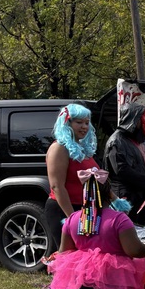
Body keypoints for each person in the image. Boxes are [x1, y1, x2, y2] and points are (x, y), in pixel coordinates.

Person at [45, 103, 102, 251]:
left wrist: (115, 201)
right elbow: (57, 186)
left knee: (87, 255)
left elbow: (97, 178)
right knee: (70, 257)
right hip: (64, 210)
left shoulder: (82, 148)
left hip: (86, 209)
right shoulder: (59, 148)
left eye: (87, 123)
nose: (84, 127)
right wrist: (73, 219)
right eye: (79, 122)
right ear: (67, 123)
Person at [104, 102, 145, 224]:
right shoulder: (117, 141)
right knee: (126, 229)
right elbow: (122, 171)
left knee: (139, 229)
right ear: (133, 119)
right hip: (125, 198)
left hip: (140, 196)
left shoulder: (138, 140)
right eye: (143, 118)